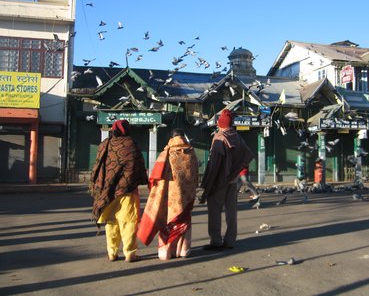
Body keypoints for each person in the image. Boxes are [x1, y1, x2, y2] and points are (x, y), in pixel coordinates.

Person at [89, 119, 148, 262]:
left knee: (111, 221)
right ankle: (130, 253)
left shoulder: (104, 145)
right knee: (128, 222)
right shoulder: (131, 144)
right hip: (126, 190)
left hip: (107, 190)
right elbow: (138, 165)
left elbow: (98, 166)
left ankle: (112, 252)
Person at [137, 128, 199, 260]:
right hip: (186, 195)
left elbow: (156, 177)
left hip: (169, 196)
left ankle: (166, 252)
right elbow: (195, 175)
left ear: (171, 138)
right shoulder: (192, 153)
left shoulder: (167, 153)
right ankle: (184, 250)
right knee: (184, 220)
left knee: (168, 221)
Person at [200, 109, 254, 250]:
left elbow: (214, 164)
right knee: (231, 211)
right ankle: (230, 240)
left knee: (214, 210)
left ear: (220, 124)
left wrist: (208, 183)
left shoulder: (219, 138)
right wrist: (235, 170)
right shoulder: (236, 136)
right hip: (233, 180)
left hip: (219, 181)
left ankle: (216, 241)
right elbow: (248, 155)